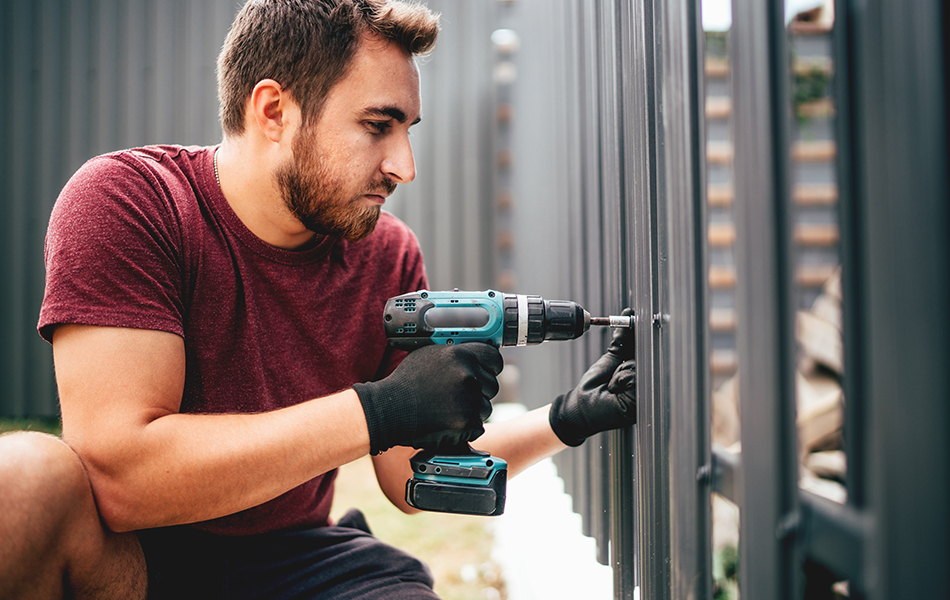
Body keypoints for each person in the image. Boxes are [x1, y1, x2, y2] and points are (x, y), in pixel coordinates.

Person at [0, 1, 637, 598]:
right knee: (22, 480)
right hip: (136, 558)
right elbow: (123, 479)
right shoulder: (131, 203)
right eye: (378, 126)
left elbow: (407, 478)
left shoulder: (386, 254)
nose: (404, 166)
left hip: (295, 556)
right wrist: (379, 409)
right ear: (274, 111)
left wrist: (565, 419)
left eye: (407, 130)